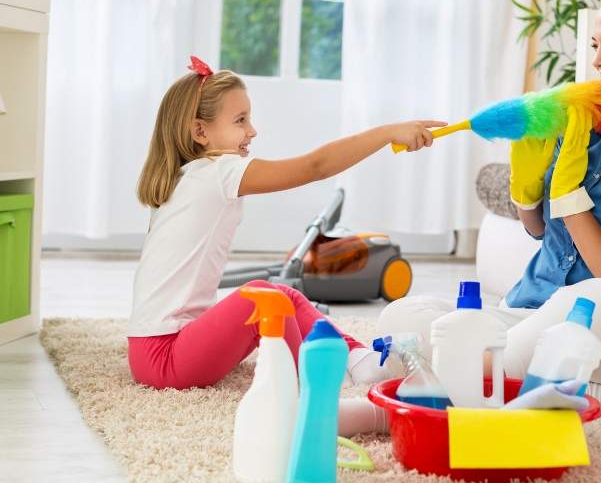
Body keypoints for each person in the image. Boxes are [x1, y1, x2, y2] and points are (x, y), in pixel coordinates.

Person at [377, 0, 601, 424]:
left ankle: (467, 380)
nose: (597, 60)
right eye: (596, 45)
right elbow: (539, 229)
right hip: (527, 313)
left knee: (596, 297)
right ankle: (593, 394)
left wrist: (568, 197)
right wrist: (527, 181)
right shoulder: (585, 124)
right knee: (401, 318)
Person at [127, 56, 443, 434]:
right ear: (200, 132)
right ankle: (315, 390)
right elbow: (315, 167)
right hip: (166, 357)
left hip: (154, 352)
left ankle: (356, 358)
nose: (253, 130)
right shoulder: (218, 171)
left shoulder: (189, 175)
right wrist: (386, 133)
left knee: (280, 294)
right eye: (240, 120)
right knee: (265, 298)